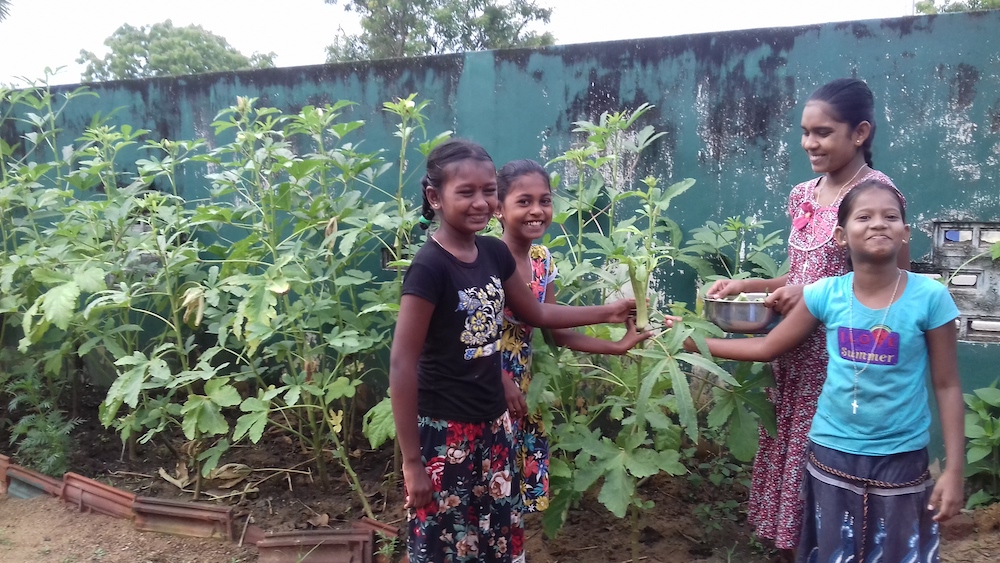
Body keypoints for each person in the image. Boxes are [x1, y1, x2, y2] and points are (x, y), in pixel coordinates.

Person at [390, 140, 644, 563]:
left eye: (488, 191)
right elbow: (402, 363)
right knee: (447, 544)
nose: (480, 202)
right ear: (435, 197)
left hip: (495, 425)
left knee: (497, 536)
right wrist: (412, 462)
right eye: (466, 192)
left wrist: (613, 311)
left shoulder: (492, 253)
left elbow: (538, 312)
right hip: (446, 431)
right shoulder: (429, 267)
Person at [689, 180, 963, 562]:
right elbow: (768, 346)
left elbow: (947, 385)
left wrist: (954, 470)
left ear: (905, 233)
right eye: (864, 217)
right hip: (832, 453)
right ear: (840, 236)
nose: (878, 223)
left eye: (890, 217)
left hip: (900, 458)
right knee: (833, 552)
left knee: (898, 553)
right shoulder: (826, 294)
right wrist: (692, 343)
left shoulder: (930, 298)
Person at [704, 78, 910, 556]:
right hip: (793, 356)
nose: (809, 143)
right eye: (804, 132)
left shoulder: (876, 199)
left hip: (841, 363)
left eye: (822, 132)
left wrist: (813, 294)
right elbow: (802, 272)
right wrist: (749, 286)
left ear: (860, 133)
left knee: (828, 467)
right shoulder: (803, 194)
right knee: (791, 455)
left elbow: (895, 286)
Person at [494, 159, 660, 562]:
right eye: (524, 201)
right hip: (486, 381)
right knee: (488, 479)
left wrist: (618, 347)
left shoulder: (542, 259)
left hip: (522, 386)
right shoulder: (487, 257)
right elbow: (468, 334)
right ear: (498, 208)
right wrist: (499, 378)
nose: (537, 210)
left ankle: (512, 554)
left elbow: (555, 329)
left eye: (545, 200)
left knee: (513, 480)